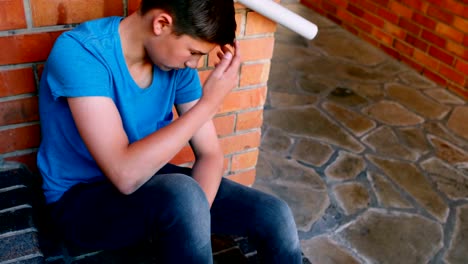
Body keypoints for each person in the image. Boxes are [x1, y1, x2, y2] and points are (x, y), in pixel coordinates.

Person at [37, 0, 302, 263]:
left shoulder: (175, 66)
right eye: (194, 52)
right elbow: (124, 174)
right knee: (183, 194)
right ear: (161, 24)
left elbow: (210, 154)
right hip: (80, 203)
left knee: (273, 214)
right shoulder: (81, 52)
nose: (194, 65)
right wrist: (209, 103)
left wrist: (193, 220)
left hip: (155, 188)